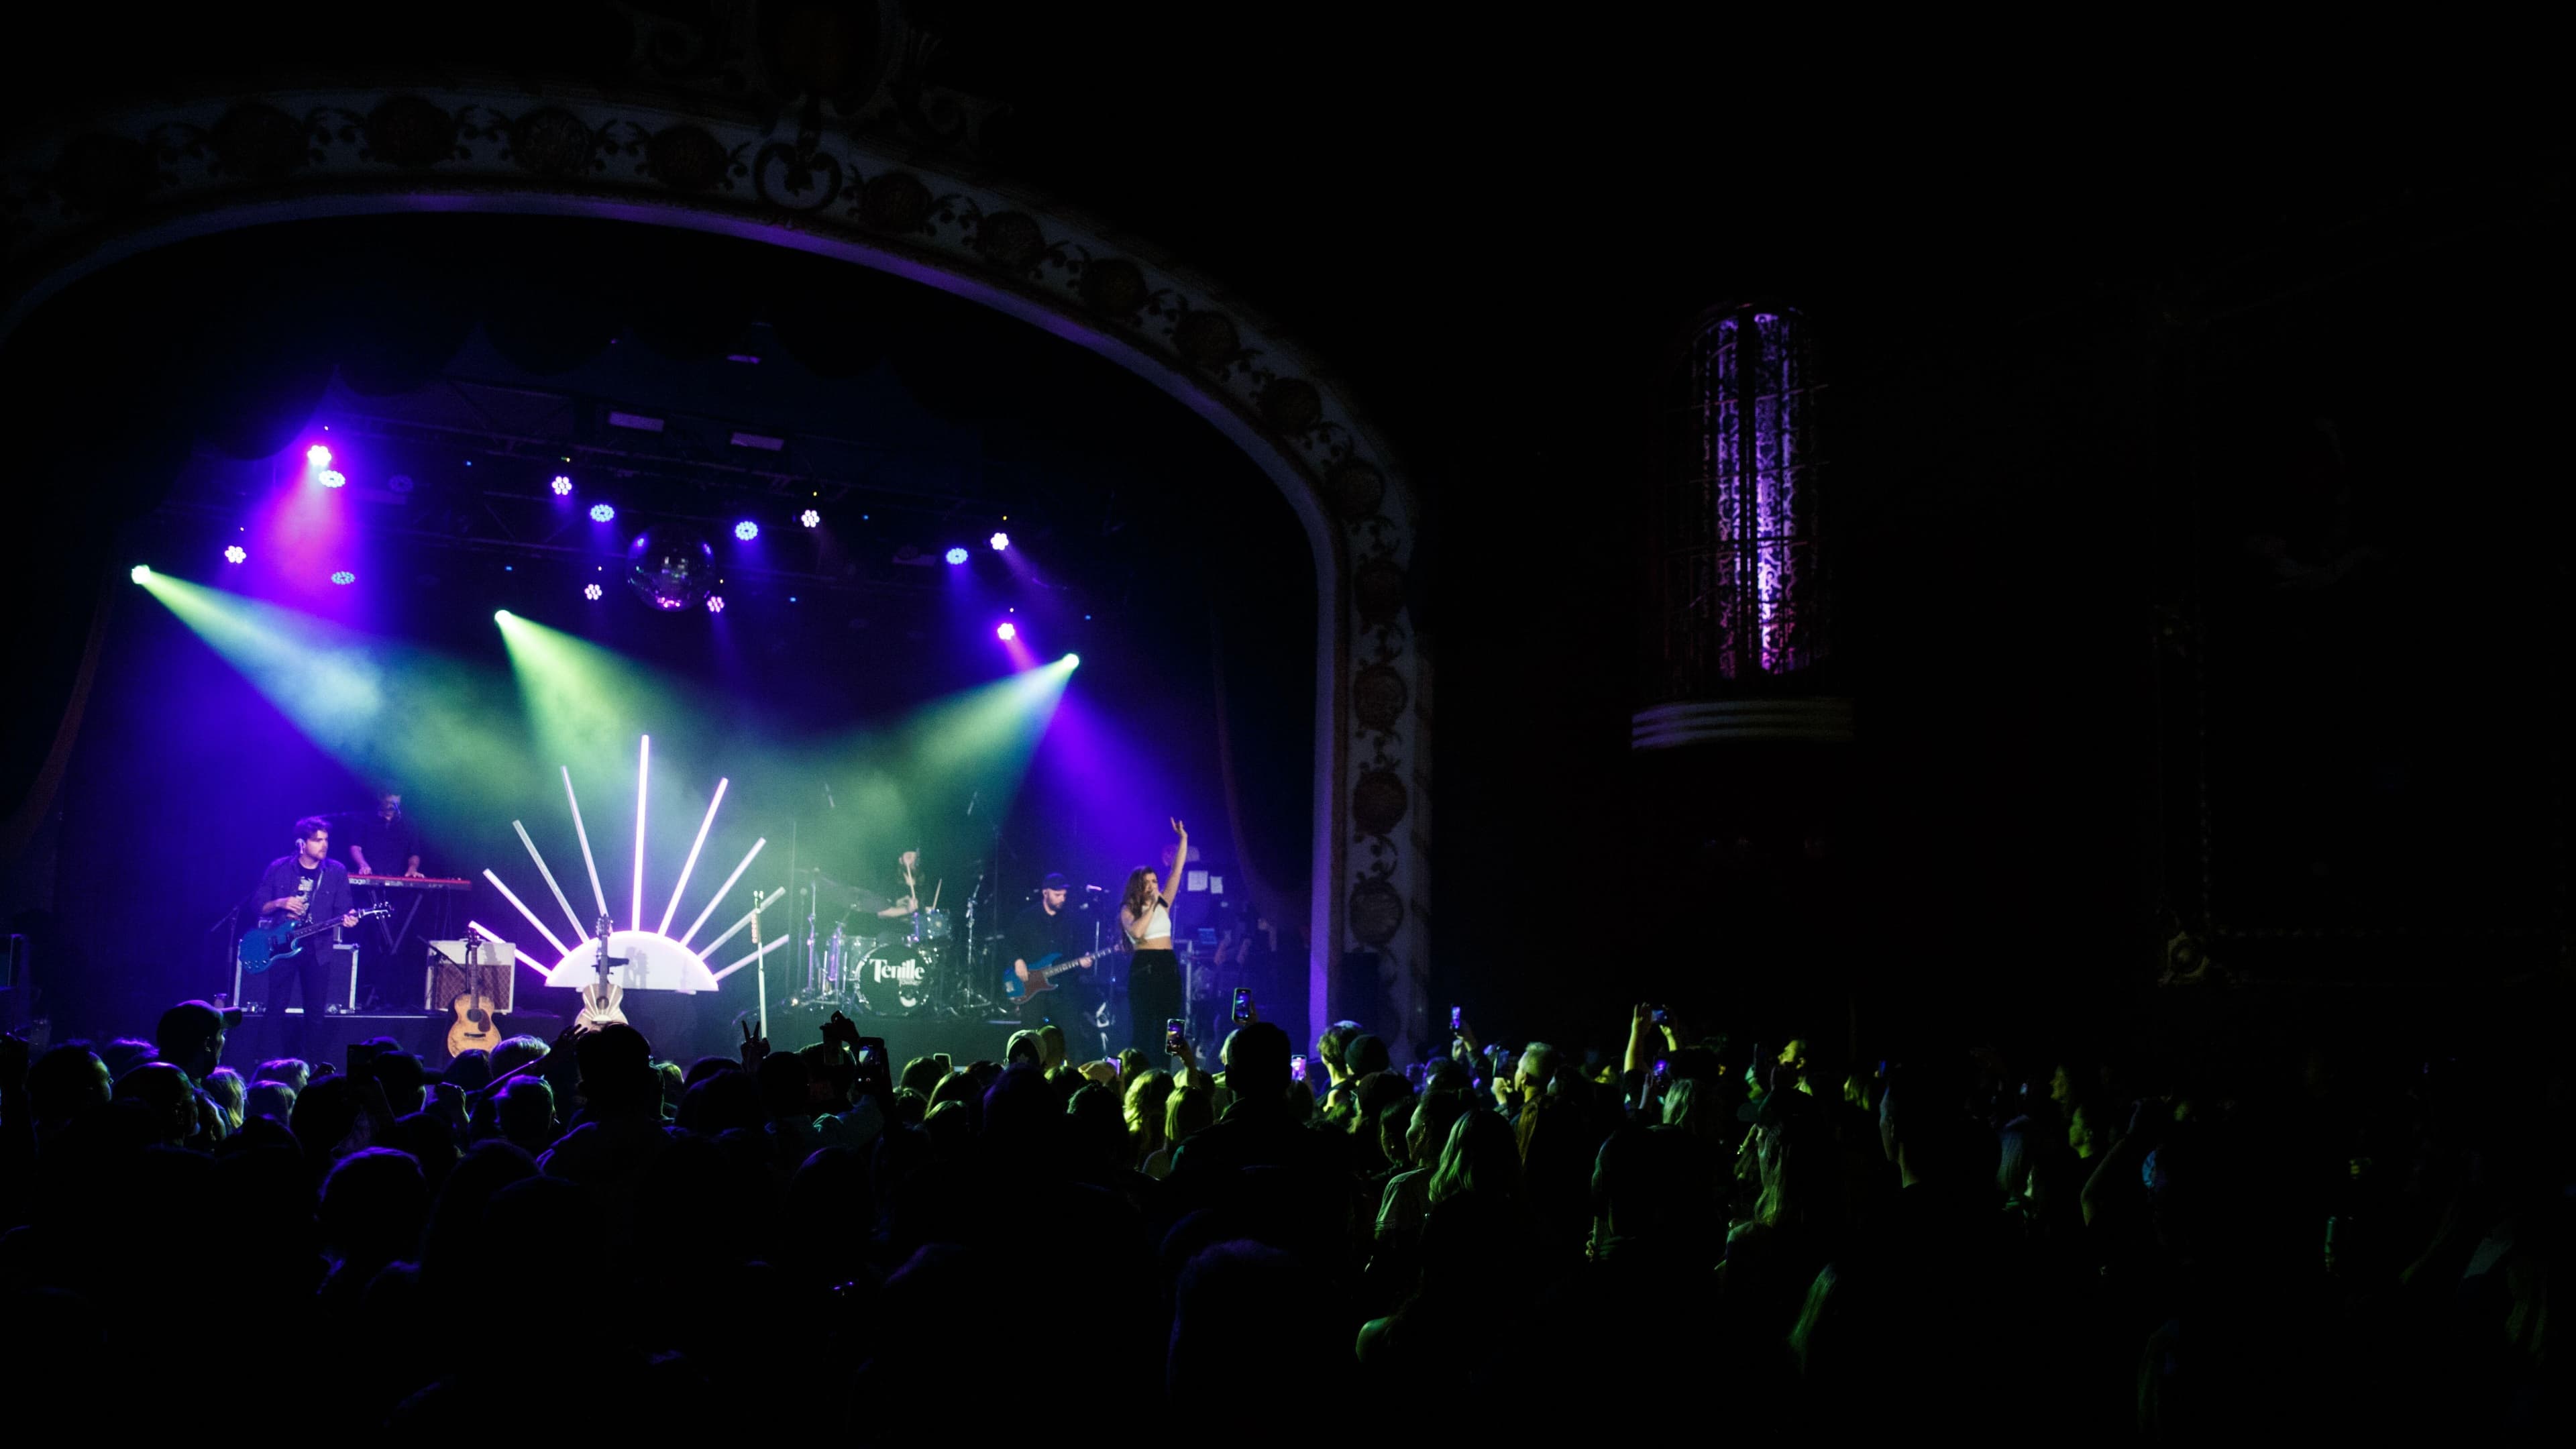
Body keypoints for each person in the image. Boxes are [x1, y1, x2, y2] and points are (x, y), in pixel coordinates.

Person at [256, 816, 360, 1054]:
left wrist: (350, 918)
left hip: (318, 949)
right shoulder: (280, 868)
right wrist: (281, 902)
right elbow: (258, 905)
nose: (323, 845)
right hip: (283, 948)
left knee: (315, 1013)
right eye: (317, 840)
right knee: (275, 1008)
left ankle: (312, 1067)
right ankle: (268, 1063)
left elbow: (345, 909)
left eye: (326, 840)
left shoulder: (336, 871)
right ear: (301, 844)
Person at [1120, 818, 1189, 1056]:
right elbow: (1137, 932)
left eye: (1154, 881)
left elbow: (1177, 871)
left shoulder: (1164, 904)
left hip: (1167, 964)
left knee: (1170, 1025)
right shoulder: (1129, 910)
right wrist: (1151, 907)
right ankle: (1139, 1074)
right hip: (1145, 966)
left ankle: (1167, 1072)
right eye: (1146, 882)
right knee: (1144, 1026)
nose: (1152, 886)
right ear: (1138, 887)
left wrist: (1183, 839)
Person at [1010, 871, 1106, 1033]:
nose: (1062, 898)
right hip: (1033, 989)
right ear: (1045, 893)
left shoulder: (1070, 919)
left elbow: (1078, 947)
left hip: (1064, 987)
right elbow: (1010, 944)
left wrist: (1084, 959)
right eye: (1057, 895)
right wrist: (1017, 961)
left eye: (1064, 895)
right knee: (1029, 1035)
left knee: (1070, 1035)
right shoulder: (1027, 918)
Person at [345, 789, 424, 878]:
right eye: (388, 803)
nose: (391, 807)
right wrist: (363, 865)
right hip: (369, 875)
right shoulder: (363, 819)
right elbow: (355, 847)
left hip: (399, 878)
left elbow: (414, 853)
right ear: (381, 797)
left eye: (394, 805)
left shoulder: (408, 823)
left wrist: (412, 869)